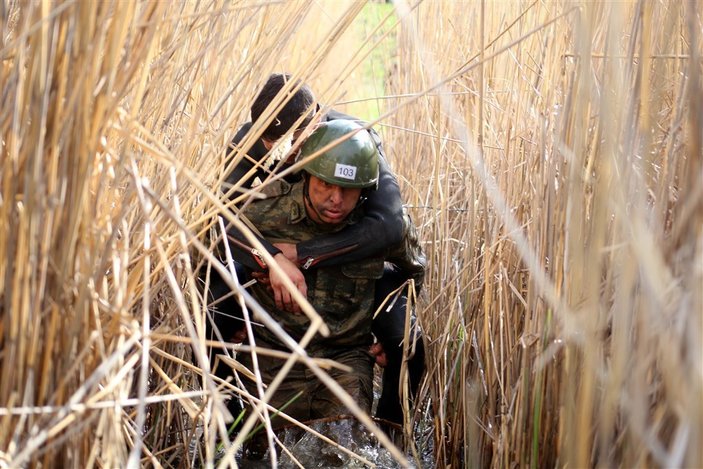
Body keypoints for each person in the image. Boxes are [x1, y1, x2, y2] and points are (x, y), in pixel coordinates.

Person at [205, 73, 424, 425]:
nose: (280, 152)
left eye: (291, 140)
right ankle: (228, 422)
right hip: (278, 247)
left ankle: (392, 431)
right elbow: (218, 218)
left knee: (405, 340)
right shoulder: (252, 142)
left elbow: (390, 228)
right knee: (211, 299)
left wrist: (301, 254)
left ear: (312, 124)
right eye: (270, 143)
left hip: (356, 251)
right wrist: (272, 260)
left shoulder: (355, 141)